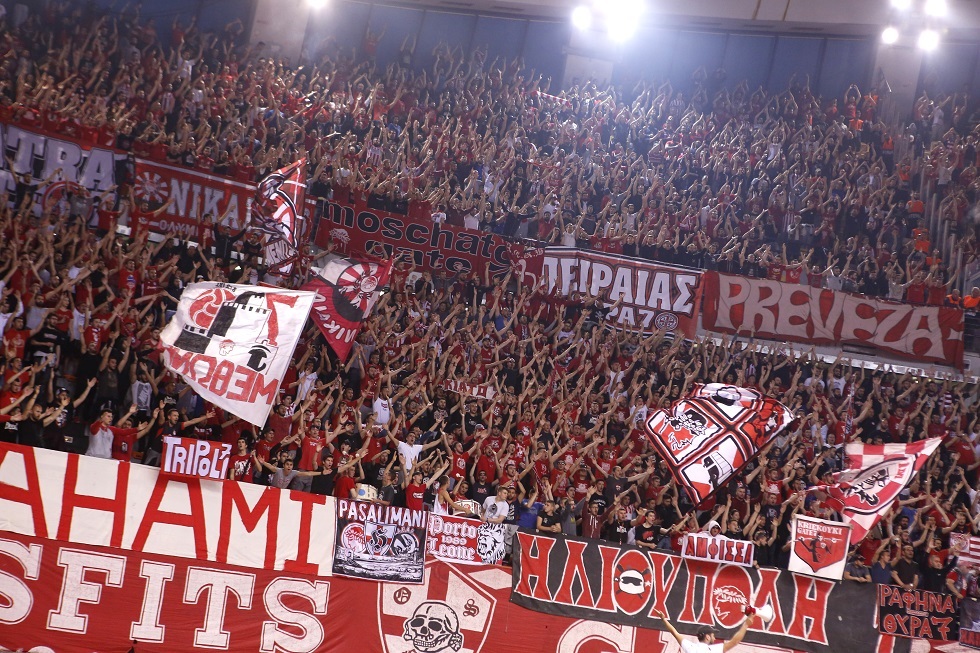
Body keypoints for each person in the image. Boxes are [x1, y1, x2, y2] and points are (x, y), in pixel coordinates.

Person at [654, 609, 756, 652]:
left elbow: (674, 632)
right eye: (713, 635)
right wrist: (746, 624)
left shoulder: (690, 647)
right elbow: (734, 642)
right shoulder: (712, 650)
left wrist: (663, 619)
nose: (714, 638)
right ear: (707, 636)